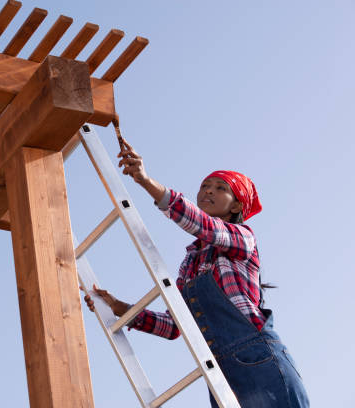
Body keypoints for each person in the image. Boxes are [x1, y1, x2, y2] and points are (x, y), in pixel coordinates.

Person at [82, 138, 309, 408]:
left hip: (259, 359)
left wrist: (145, 181)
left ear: (236, 206)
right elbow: (175, 326)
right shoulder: (190, 263)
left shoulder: (243, 239)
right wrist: (120, 308)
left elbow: (207, 228)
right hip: (220, 372)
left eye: (220, 188)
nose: (208, 192)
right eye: (204, 186)